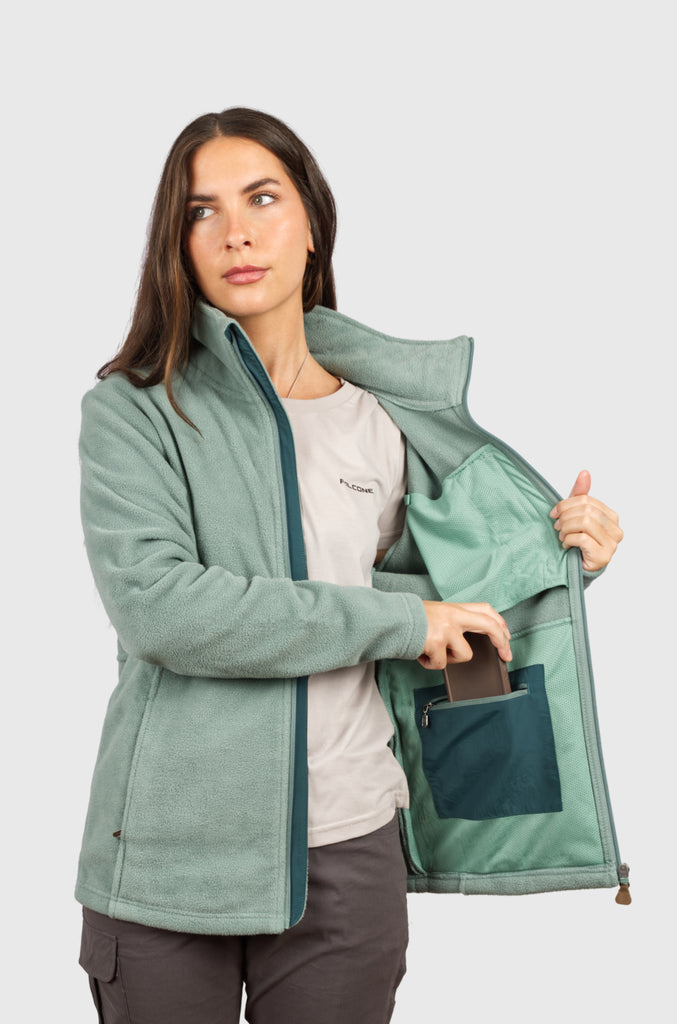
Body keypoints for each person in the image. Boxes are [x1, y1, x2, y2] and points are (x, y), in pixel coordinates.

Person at [76, 107, 623, 1024]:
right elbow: (162, 608)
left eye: (262, 198)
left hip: (348, 846)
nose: (235, 231)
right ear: (177, 242)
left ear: (312, 224)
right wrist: (401, 623)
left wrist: (565, 560)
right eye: (201, 210)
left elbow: (445, 600)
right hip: (171, 850)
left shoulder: (381, 422)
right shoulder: (133, 412)